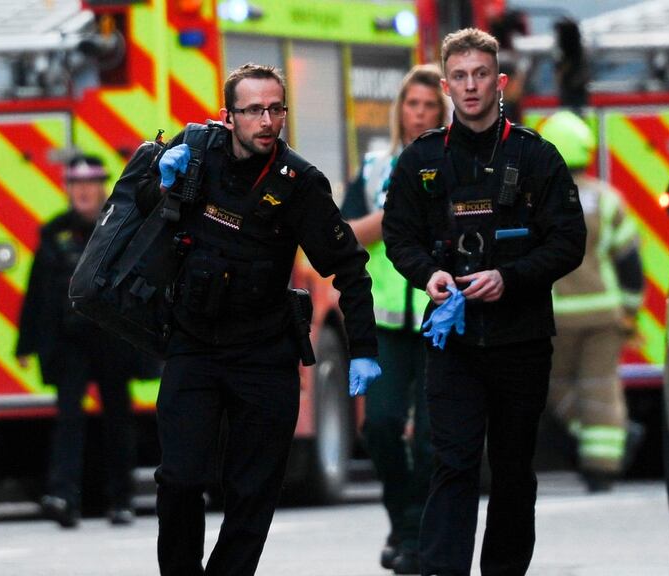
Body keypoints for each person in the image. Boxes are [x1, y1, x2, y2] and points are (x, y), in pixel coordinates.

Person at [137, 63, 381, 576]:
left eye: (276, 109)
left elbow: (350, 268)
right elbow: (134, 214)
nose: (267, 120)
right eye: (253, 110)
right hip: (195, 346)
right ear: (229, 117)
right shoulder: (196, 155)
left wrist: (363, 348)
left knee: (252, 495)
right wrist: (155, 179)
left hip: (263, 353)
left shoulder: (300, 184)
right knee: (179, 480)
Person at [383, 28, 587, 576]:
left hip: (520, 338)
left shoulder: (536, 156)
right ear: (447, 84)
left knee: (514, 468)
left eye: (480, 75)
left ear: (498, 82)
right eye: (460, 76)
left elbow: (568, 242)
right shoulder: (421, 160)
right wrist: (429, 277)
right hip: (452, 342)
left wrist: (511, 278)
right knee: (452, 462)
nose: (470, 87)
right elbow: (398, 237)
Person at [340, 64, 446, 575]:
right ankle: (402, 523)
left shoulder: (459, 166)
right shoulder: (378, 169)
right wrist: (389, 218)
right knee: (380, 426)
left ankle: (416, 534)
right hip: (384, 318)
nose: (419, 114)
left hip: (441, 318)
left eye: (429, 106)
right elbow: (345, 237)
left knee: (431, 439)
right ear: (399, 109)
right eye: (412, 104)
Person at [16, 155, 140, 528]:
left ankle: (121, 500)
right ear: (67, 190)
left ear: (103, 188)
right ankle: (63, 496)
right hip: (71, 342)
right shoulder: (54, 235)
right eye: (76, 185)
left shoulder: (120, 227)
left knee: (118, 419)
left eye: (90, 184)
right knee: (69, 420)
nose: (83, 192)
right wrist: (26, 345)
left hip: (112, 340)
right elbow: (37, 293)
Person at [540, 111, 643, 493]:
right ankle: (602, 465)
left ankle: (600, 443)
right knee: (600, 389)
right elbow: (629, 263)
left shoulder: (531, 202)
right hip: (602, 316)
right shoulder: (608, 200)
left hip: (551, 318)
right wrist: (629, 311)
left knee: (553, 387)